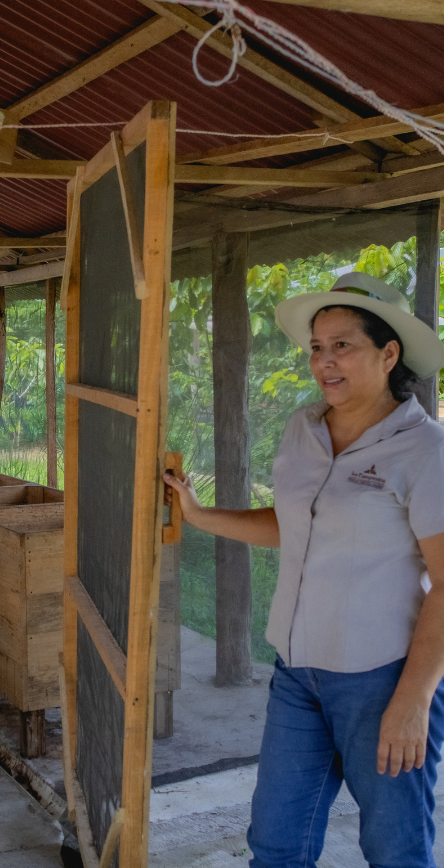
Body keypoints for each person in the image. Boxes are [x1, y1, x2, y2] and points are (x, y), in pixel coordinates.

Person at [164, 271, 444, 868]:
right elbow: (294, 522)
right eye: (317, 347)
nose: (325, 361)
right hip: (296, 676)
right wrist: (198, 514)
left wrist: (414, 700)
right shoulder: (305, 428)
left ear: (389, 353)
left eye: (344, 344)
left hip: (382, 680)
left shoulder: (426, 450)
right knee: (276, 843)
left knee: (395, 851)